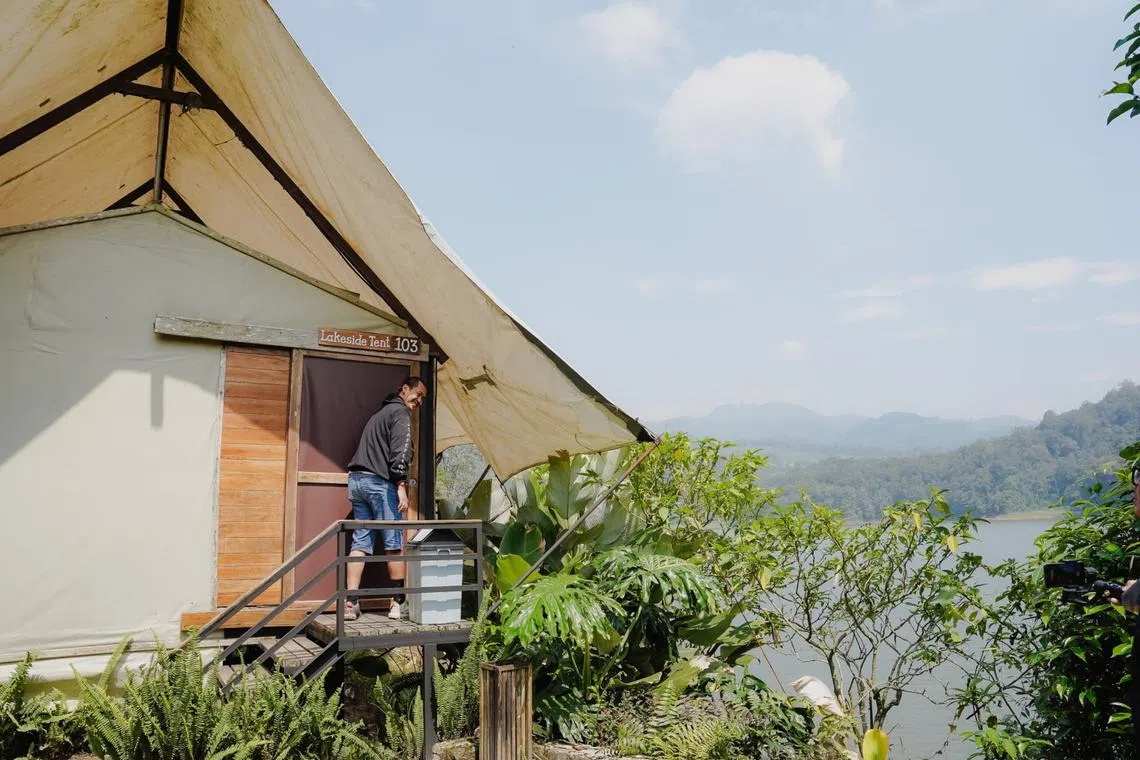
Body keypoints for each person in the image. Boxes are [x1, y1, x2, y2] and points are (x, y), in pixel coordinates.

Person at [343, 376, 427, 621]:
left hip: (357, 482)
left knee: (360, 543)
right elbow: (399, 451)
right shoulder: (400, 413)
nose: (419, 400)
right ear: (404, 390)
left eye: (422, 398)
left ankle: (351, 603)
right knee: (393, 544)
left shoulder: (378, 416)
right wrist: (400, 484)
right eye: (417, 394)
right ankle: (398, 604)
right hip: (380, 485)